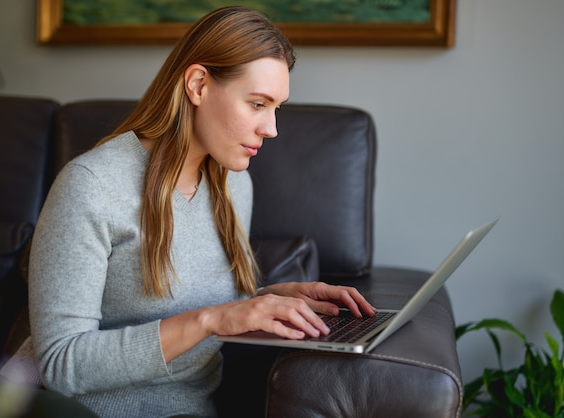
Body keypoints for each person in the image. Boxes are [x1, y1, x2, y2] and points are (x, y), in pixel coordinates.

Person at [28, 6, 376, 418]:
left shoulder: (232, 183)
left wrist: (270, 300)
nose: (272, 128)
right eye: (258, 104)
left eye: (276, 107)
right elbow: (59, 363)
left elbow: (204, 305)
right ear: (197, 85)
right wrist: (211, 319)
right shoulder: (92, 186)